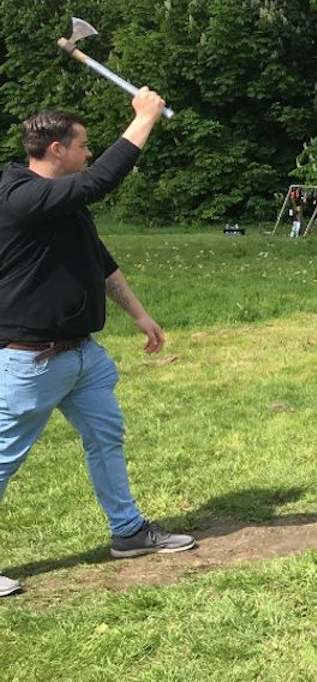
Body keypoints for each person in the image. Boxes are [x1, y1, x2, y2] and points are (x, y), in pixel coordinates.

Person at [0, 89, 197, 598]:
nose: (88, 152)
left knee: (106, 439)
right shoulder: (21, 198)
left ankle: (128, 532)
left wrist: (139, 313)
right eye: (83, 144)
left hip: (82, 356)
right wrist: (145, 118)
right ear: (55, 149)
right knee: (2, 459)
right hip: (31, 362)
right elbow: (101, 179)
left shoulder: (63, 201)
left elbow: (100, 259)